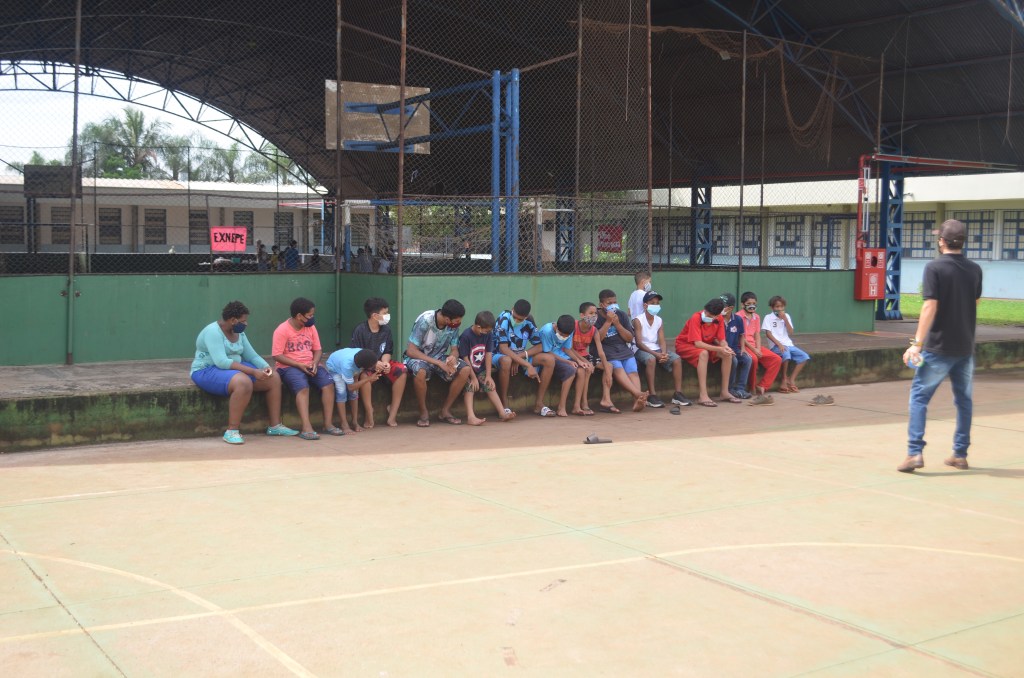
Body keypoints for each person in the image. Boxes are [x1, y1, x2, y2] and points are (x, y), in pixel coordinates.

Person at [898, 219, 983, 473]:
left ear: (942, 241)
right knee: (964, 401)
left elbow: (929, 306)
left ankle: (914, 452)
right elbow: (975, 302)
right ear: (963, 242)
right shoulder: (975, 269)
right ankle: (960, 454)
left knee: (919, 397)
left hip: (938, 347)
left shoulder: (934, 267)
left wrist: (916, 344)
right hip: (965, 347)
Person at [189, 300, 298, 444]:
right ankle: (231, 431)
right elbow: (221, 362)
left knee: (273, 378)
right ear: (233, 320)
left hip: (233, 368)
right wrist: (253, 371)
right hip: (206, 370)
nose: (246, 324)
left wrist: (266, 367)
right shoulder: (212, 332)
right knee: (243, 382)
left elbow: (251, 356)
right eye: (243, 321)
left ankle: (275, 426)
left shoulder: (239, 333)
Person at [272, 297, 339, 439]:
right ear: (299, 316)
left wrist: (315, 362)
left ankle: (328, 424)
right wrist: (298, 365)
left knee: (328, 384)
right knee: (303, 387)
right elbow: (277, 355)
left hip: (310, 364)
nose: (312, 318)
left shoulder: (311, 327)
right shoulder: (282, 330)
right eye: (310, 315)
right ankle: (306, 427)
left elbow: (318, 350)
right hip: (289, 366)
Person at [405, 298, 474, 426]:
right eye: (457, 321)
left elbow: (454, 349)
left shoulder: (453, 325)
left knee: (465, 369)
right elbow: (411, 351)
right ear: (447, 319)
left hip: (440, 357)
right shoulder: (425, 320)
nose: (459, 323)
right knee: (420, 371)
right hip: (418, 358)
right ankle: (423, 412)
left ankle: (445, 411)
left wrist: (452, 357)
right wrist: (439, 363)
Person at [349, 297, 408, 428]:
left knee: (402, 370)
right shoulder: (360, 330)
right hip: (366, 366)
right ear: (375, 316)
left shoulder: (386, 329)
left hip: (382, 363)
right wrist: (374, 364)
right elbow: (357, 355)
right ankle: (369, 412)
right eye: (385, 313)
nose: (387, 316)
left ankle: (393, 413)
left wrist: (386, 363)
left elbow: (387, 350)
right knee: (364, 377)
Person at [674, 297, 739, 407]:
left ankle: (724, 392)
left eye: (710, 315)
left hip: (705, 345)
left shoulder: (719, 319)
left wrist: (726, 347)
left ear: (716, 316)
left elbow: (722, 340)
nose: (707, 315)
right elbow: (698, 344)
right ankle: (703, 395)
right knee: (704, 353)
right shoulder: (696, 317)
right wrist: (720, 348)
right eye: (706, 312)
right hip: (685, 345)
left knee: (727, 355)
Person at [458, 311, 516, 425]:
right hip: (467, 370)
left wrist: (488, 375)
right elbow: (465, 358)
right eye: (486, 331)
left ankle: (502, 413)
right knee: (470, 387)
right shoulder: (466, 336)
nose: (488, 333)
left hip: (481, 369)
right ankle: (471, 417)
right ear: (479, 327)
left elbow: (489, 354)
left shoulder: (488, 335)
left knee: (490, 385)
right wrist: (473, 378)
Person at [632, 291, 689, 408]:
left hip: (656, 349)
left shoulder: (659, 320)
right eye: (652, 303)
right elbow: (639, 343)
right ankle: (652, 395)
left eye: (657, 303)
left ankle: (678, 394)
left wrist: (663, 353)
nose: (655, 305)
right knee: (651, 359)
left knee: (677, 359)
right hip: (640, 350)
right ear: (645, 305)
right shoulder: (638, 320)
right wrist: (656, 355)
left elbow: (662, 340)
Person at [595, 289, 648, 413]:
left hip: (623, 350)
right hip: (607, 351)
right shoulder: (596, 317)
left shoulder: (622, 315)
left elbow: (629, 338)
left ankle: (637, 401)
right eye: (609, 303)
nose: (613, 305)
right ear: (601, 304)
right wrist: (608, 322)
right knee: (618, 368)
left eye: (615, 302)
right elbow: (599, 339)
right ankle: (638, 394)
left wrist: (618, 324)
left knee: (632, 370)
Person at [493, 299, 550, 411]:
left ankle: (539, 404)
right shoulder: (504, 318)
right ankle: (504, 404)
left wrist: (519, 358)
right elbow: (503, 349)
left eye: (520, 319)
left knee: (549, 359)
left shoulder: (529, 320)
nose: (516, 320)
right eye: (515, 317)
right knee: (507, 360)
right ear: (512, 309)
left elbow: (539, 346)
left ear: (526, 316)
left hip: (519, 356)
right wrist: (527, 364)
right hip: (499, 355)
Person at [535, 314, 591, 417]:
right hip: (550, 357)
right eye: (561, 334)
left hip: (563, 357)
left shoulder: (570, 331)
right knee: (570, 370)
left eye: (566, 336)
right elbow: (547, 352)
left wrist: (578, 360)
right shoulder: (547, 331)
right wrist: (568, 362)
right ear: (556, 327)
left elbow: (567, 349)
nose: (564, 337)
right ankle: (562, 407)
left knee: (582, 370)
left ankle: (576, 406)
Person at [737, 291, 782, 402]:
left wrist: (757, 348)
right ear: (742, 304)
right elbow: (741, 337)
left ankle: (762, 386)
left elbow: (757, 334)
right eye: (749, 303)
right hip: (743, 345)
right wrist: (754, 350)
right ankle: (751, 387)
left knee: (776, 359)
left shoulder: (756, 317)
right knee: (754, 359)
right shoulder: (738, 317)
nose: (752, 306)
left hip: (754, 345)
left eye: (754, 303)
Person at [325, 347, 381, 435]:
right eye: (372, 366)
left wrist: (357, 381)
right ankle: (344, 424)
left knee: (354, 394)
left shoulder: (362, 354)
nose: (374, 366)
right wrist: (368, 379)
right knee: (342, 392)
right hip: (335, 367)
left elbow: (356, 375)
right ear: (365, 366)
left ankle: (355, 422)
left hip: (348, 364)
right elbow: (350, 387)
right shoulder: (347, 365)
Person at [762, 295, 810, 393]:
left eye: (782, 306)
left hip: (788, 344)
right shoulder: (768, 317)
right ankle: (784, 379)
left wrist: (785, 319)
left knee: (804, 356)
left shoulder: (786, 316)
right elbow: (768, 334)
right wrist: (779, 344)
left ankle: (791, 379)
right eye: (777, 307)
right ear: (772, 308)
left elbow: (791, 331)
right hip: (775, 346)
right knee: (786, 353)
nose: (780, 309)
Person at [571, 302, 611, 416]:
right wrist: (585, 361)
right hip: (573, 356)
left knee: (609, 366)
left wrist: (608, 373)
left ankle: (606, 400)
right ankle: (583, 403)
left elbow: (601, 352)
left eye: (595, 313)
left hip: (585, 356)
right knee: (587, 369)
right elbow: (569, 348)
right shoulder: (574, 326)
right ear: (582, 315)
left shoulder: (594, 330)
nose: (594, 316)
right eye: (591, 313)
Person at [721, 293, 752, 400]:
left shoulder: (738, 319)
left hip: (735, 348)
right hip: (722, 350)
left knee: (747, 359)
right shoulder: (717, 319)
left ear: (730, 308)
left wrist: (742, 348)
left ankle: (740, 389)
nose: (721, 307)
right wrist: (726, 349)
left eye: (723, 305)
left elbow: (742, 335)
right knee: (733, 360)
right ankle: (729, 389)